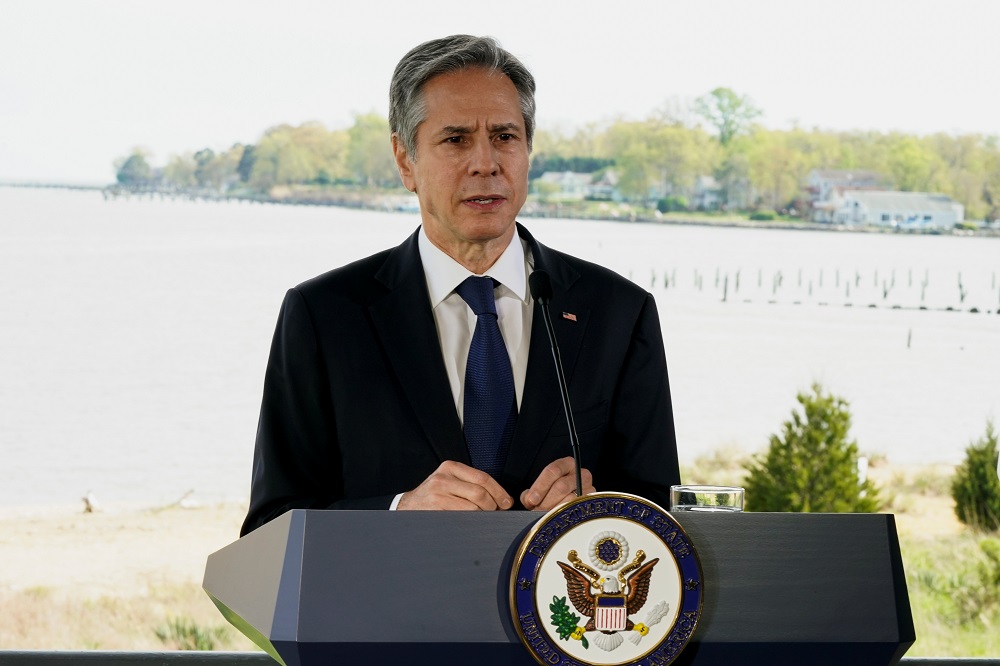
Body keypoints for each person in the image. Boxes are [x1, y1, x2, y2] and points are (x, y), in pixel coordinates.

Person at [240, 35, 680, 536]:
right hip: (391, 610)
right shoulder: (324, 315)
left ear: (528, 151)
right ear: (405, 159)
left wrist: (602, 507)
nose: (485, 162)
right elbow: (269, 528)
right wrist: (398, 511)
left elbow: (662, 512)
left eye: (505, 136)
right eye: (455, 139)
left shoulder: (618, 312)